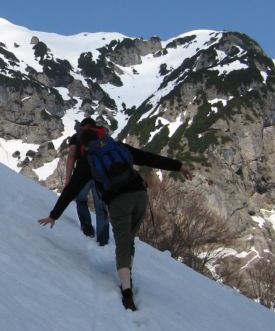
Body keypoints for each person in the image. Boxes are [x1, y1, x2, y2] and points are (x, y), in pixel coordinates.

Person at [39, 129, 193, 311]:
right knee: (129, 240)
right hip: (140, 195)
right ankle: (127, 273)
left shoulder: (88, 161)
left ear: (83, 146)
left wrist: (54, 215)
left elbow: (71, 189)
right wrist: (179, 166)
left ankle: (127, 293)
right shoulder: (117, 147)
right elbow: (148, 157)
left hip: (119, 201)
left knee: (122, 244)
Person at [64, 118, 109, 245]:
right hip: (101, 175)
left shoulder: (77, 136)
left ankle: (87, 228)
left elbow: (71, 156)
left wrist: (68, 179)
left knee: (81, 199)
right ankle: (103, 239)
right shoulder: (103, 135)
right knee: (101, 206)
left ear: (83, 126)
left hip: (84, 174)